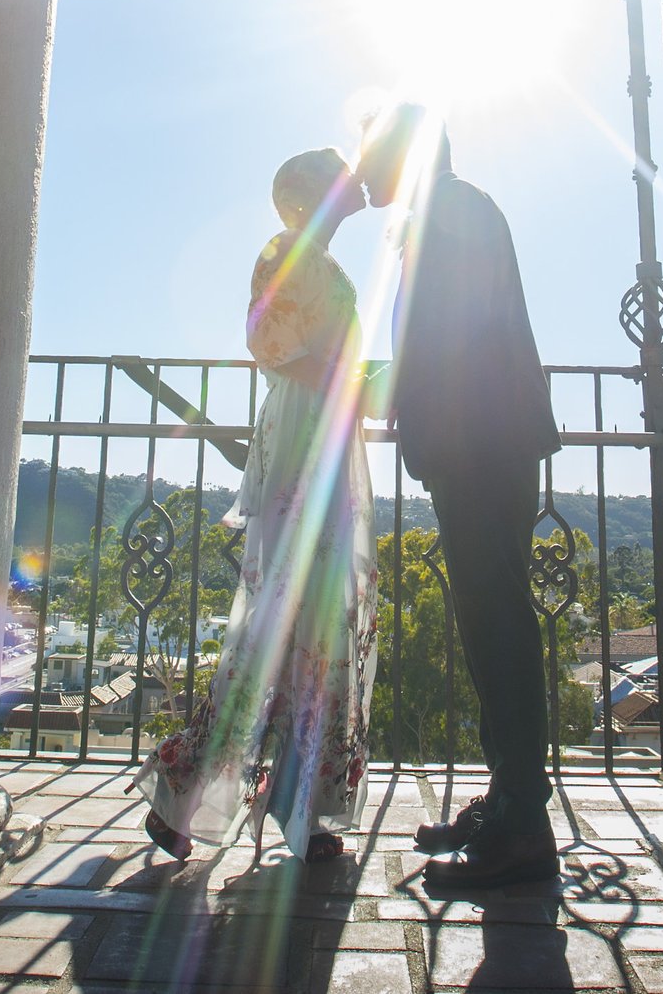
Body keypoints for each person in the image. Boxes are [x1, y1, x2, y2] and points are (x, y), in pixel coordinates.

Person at [137, 148, 379, 864]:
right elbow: (270, 343)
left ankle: (295, 806)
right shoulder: (285, 253)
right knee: (283, 616)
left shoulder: (324, 265)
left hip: (326, 432)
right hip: (305, 432)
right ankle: (188, 799)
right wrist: (345, 377)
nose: (354, 177)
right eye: (339, 171)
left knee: (316, 620)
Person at [355, 102, 561, 888]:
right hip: (477, 441)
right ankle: (510, 796)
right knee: (486, 618)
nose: (362, 165)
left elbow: (456, 335)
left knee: (497, 618)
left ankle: (524, 825)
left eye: (371, 150)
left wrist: (397, 392)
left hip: (480, 441)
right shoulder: (446, 212)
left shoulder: (454, 211)